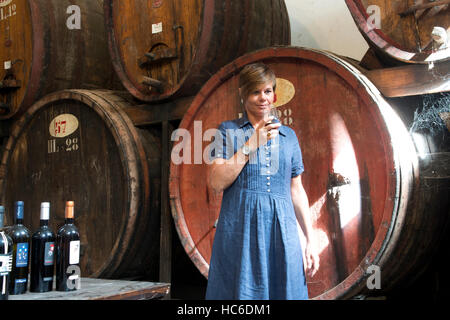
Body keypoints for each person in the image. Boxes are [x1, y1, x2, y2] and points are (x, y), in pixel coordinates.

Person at [205, 63, 319, 300]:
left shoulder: (289, 137)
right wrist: (251, 144)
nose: (263, 98)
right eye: (256, 91)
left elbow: (297, 191)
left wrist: (310, 239)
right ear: (243, 94)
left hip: (282, 231)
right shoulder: (226, 131)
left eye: (267, 91)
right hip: (240, 230)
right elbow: (216, 182)